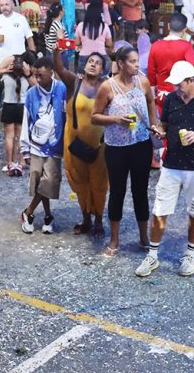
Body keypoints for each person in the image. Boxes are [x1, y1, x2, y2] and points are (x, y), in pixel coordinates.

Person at [136, 60, 194, 278]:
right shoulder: (171, 100)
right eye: (175, 84)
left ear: (192, 80)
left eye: (180, 84)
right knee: (160, 209)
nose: (176, 87)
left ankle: (190, 254)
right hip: (172, 164)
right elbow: (165, 124)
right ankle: (153, 255)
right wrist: (160, 130)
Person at [93, 45, 157, 256]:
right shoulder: (107, 87)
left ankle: (144, 237)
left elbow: (151, 101)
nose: (137, 65)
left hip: (141, 144)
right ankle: (114, 239)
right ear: (120, 64)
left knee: (141, 190)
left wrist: (153, 123)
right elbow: (95, 116)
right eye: (132, 61)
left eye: (137, 61)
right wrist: (115, 119)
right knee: (117, 191)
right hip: (117, 148)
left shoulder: (142, 81)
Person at [53, 48, 108, 237]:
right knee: (80, 182)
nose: (93, 64)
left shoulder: (106, 86)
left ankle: (98, 219)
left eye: (98, 63)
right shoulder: (74, 82)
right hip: (74, 143)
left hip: (99, 145)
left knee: (99, 183)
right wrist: (56, 52)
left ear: (102, 70)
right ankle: (86, 218)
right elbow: (60, 69)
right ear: (85, 65)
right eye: (91, 61)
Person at [19, 57, 67, 235]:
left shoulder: (62, 89)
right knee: (39, 181)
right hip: (36, 144)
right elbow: (26, 120)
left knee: (49, 181)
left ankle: (28, 212)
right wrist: (24, 149)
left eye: (41, 75)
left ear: (51, 72)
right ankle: (48, 216)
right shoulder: (31, 93)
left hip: (55, 144)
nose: (37, 79)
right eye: (35, 75)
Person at [146, 12, 194, 104]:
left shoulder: (155, 45)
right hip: (181, 93)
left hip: (161, 93)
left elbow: (151, 73)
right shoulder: (186, 46)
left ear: (168, 26)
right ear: (185, 29)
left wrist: (152, 92)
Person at [0, 53, 31, 176]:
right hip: (22, 107)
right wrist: (28, 73)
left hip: (8, 106)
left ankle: (9, 162)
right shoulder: (26, 79)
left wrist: (6, 69)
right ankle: (21, 162)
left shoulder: (5, 77)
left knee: (9, 137)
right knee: (21, 137)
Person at [0, 0, 34, 67]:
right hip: (1, 63)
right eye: (2, 5)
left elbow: (29, 38)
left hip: (19, 62)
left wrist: (33, 60)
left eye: (7, 4)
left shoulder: (21, 19)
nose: (4, 7)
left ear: (12, 5)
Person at [74, 0, 112, 73]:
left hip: (84, 57)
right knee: (102, 79)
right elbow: (109, 44)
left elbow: (77, 43)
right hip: (101, 57)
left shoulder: (81, 25)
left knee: (84, 79)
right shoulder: (104, 26)